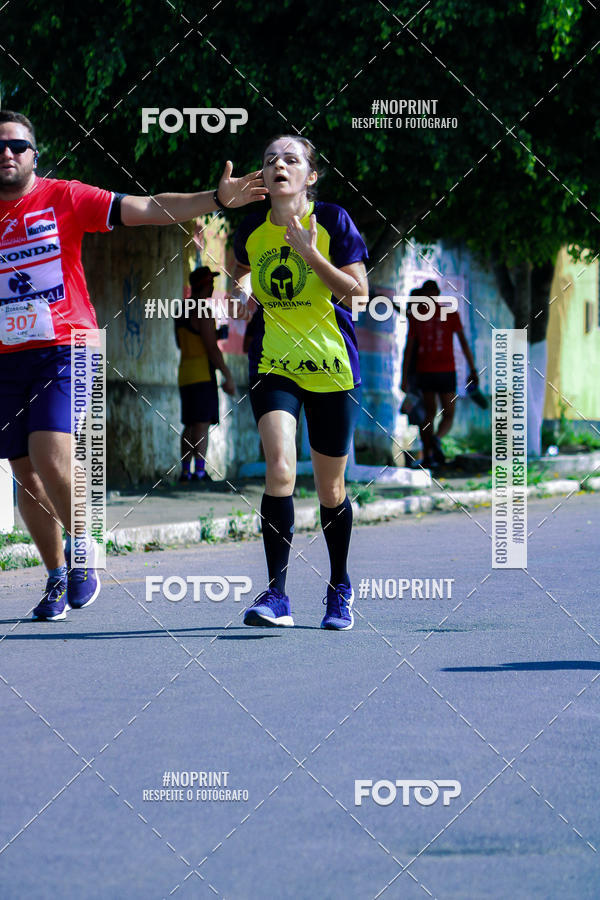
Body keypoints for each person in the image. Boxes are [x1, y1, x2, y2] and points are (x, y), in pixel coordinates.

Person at [0, 110, 266, 621]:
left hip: (67, 346)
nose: (7, 154)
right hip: (7, 359)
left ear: (35, 155)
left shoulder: (64, 197)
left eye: (18, 146)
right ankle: (56, 574)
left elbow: (146, 207)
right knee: (24, 473)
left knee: (49, 448)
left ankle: (85, 548)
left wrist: (215, 201)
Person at [231, 135, 369, 630]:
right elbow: (239, 269)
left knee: (331, 489)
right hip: (274, 365)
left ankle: (339, 589)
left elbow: (358, 294)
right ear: (263, 179)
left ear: (310, 176)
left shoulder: (332, 221)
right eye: (269, 160)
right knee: (280, 470)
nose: (278, 166)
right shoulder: (250, 228)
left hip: (332, 368)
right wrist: (242, 289)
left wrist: (312, 257)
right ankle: (276, 596)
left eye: (291, 160)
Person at [401, 279, 478, 468]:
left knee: (428, 415)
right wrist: (472, 368)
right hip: (446, 371)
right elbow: (464, 342)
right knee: (449, 414)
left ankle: (428, 455)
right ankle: (437, 439)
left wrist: (404, 378)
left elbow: (408, 350)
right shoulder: (450, 313)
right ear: (437, 293)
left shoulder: (416, 316)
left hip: (425, 372)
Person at [176, 265, 236, 485]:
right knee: (201, 424)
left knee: (189, 424)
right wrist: (227, 374)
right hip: (202, 373)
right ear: (204, 285)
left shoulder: (180, 309)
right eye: (211, 283)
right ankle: (200, 472)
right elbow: (211, 348)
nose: (213, 287)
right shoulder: (204, 311)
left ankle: (185, 471)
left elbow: (187, 339)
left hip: (185, 373)